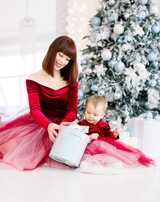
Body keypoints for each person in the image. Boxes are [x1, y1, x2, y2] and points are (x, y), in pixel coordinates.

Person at [0, 36, 79, 170]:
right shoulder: (33, 79)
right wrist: (48, 125)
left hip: (63, 126)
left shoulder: (71, 81)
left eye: (67, 59)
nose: (63, 61)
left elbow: (72, 110)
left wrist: (64, 126)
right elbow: (35, 109)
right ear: (52, 51)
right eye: (60, 55)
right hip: (40, 125)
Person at [78, 95, 155, 168]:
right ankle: (87, 163)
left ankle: (113, 163)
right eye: (88, 112)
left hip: (101, 149)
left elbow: (108, 138)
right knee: (89, 151)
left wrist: (114, 134)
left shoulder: (104, 126)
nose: (90, 116)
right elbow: (77, 137)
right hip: (86, 148)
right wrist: (88, 137)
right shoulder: (81, 124)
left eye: (95, 115)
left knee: (109, 151)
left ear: (102, 115)